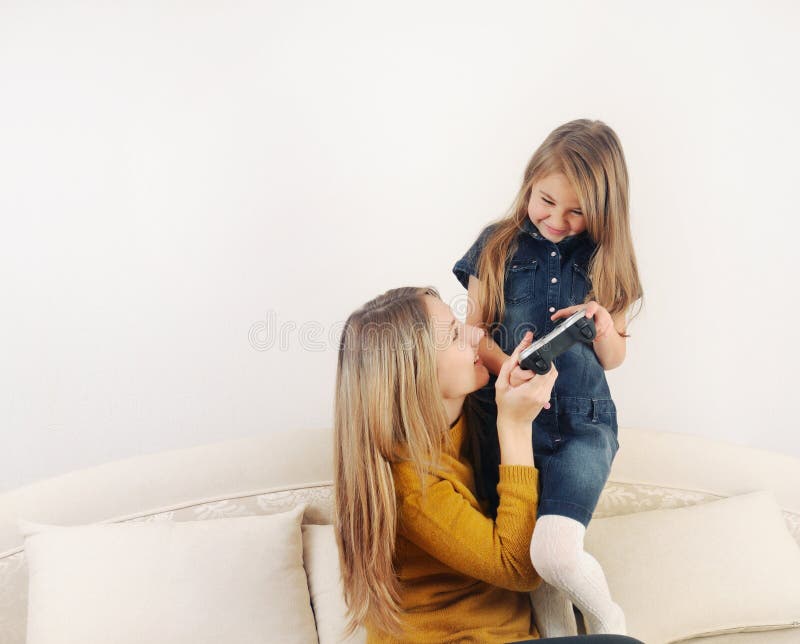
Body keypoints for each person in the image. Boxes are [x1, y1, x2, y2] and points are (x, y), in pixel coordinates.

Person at [333, 286, 644, 643]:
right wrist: (515, 426)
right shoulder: (410, 485)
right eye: (453, 335)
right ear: (414, 373)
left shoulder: (473, 413)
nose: (476, 334)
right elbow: (520, 569)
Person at [452, 119, 644, 637]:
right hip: (511, 426)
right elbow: (472, 334)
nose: (557, 219)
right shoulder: (496, 245)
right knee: (534, 572)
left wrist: (603, 326)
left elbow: (614, 357)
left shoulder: (610, 260)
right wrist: (511, 369)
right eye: (545, 201)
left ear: (604, 209)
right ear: (528, 185)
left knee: (554, 551)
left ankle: (611, 627)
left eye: (577, 211)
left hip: (583, 425)